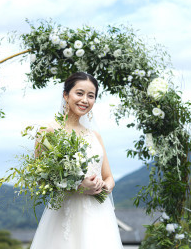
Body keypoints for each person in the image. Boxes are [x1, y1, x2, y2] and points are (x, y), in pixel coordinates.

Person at [30, 72, 123, 249]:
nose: (85, 100)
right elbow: (40, 179)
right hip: (66, 214)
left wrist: (105, 186)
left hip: (99, 214)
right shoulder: (47, 131)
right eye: (79, 93)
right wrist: (78, 186)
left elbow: (109, 177)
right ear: (66, 95)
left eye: (91, 96)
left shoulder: (95, 136)